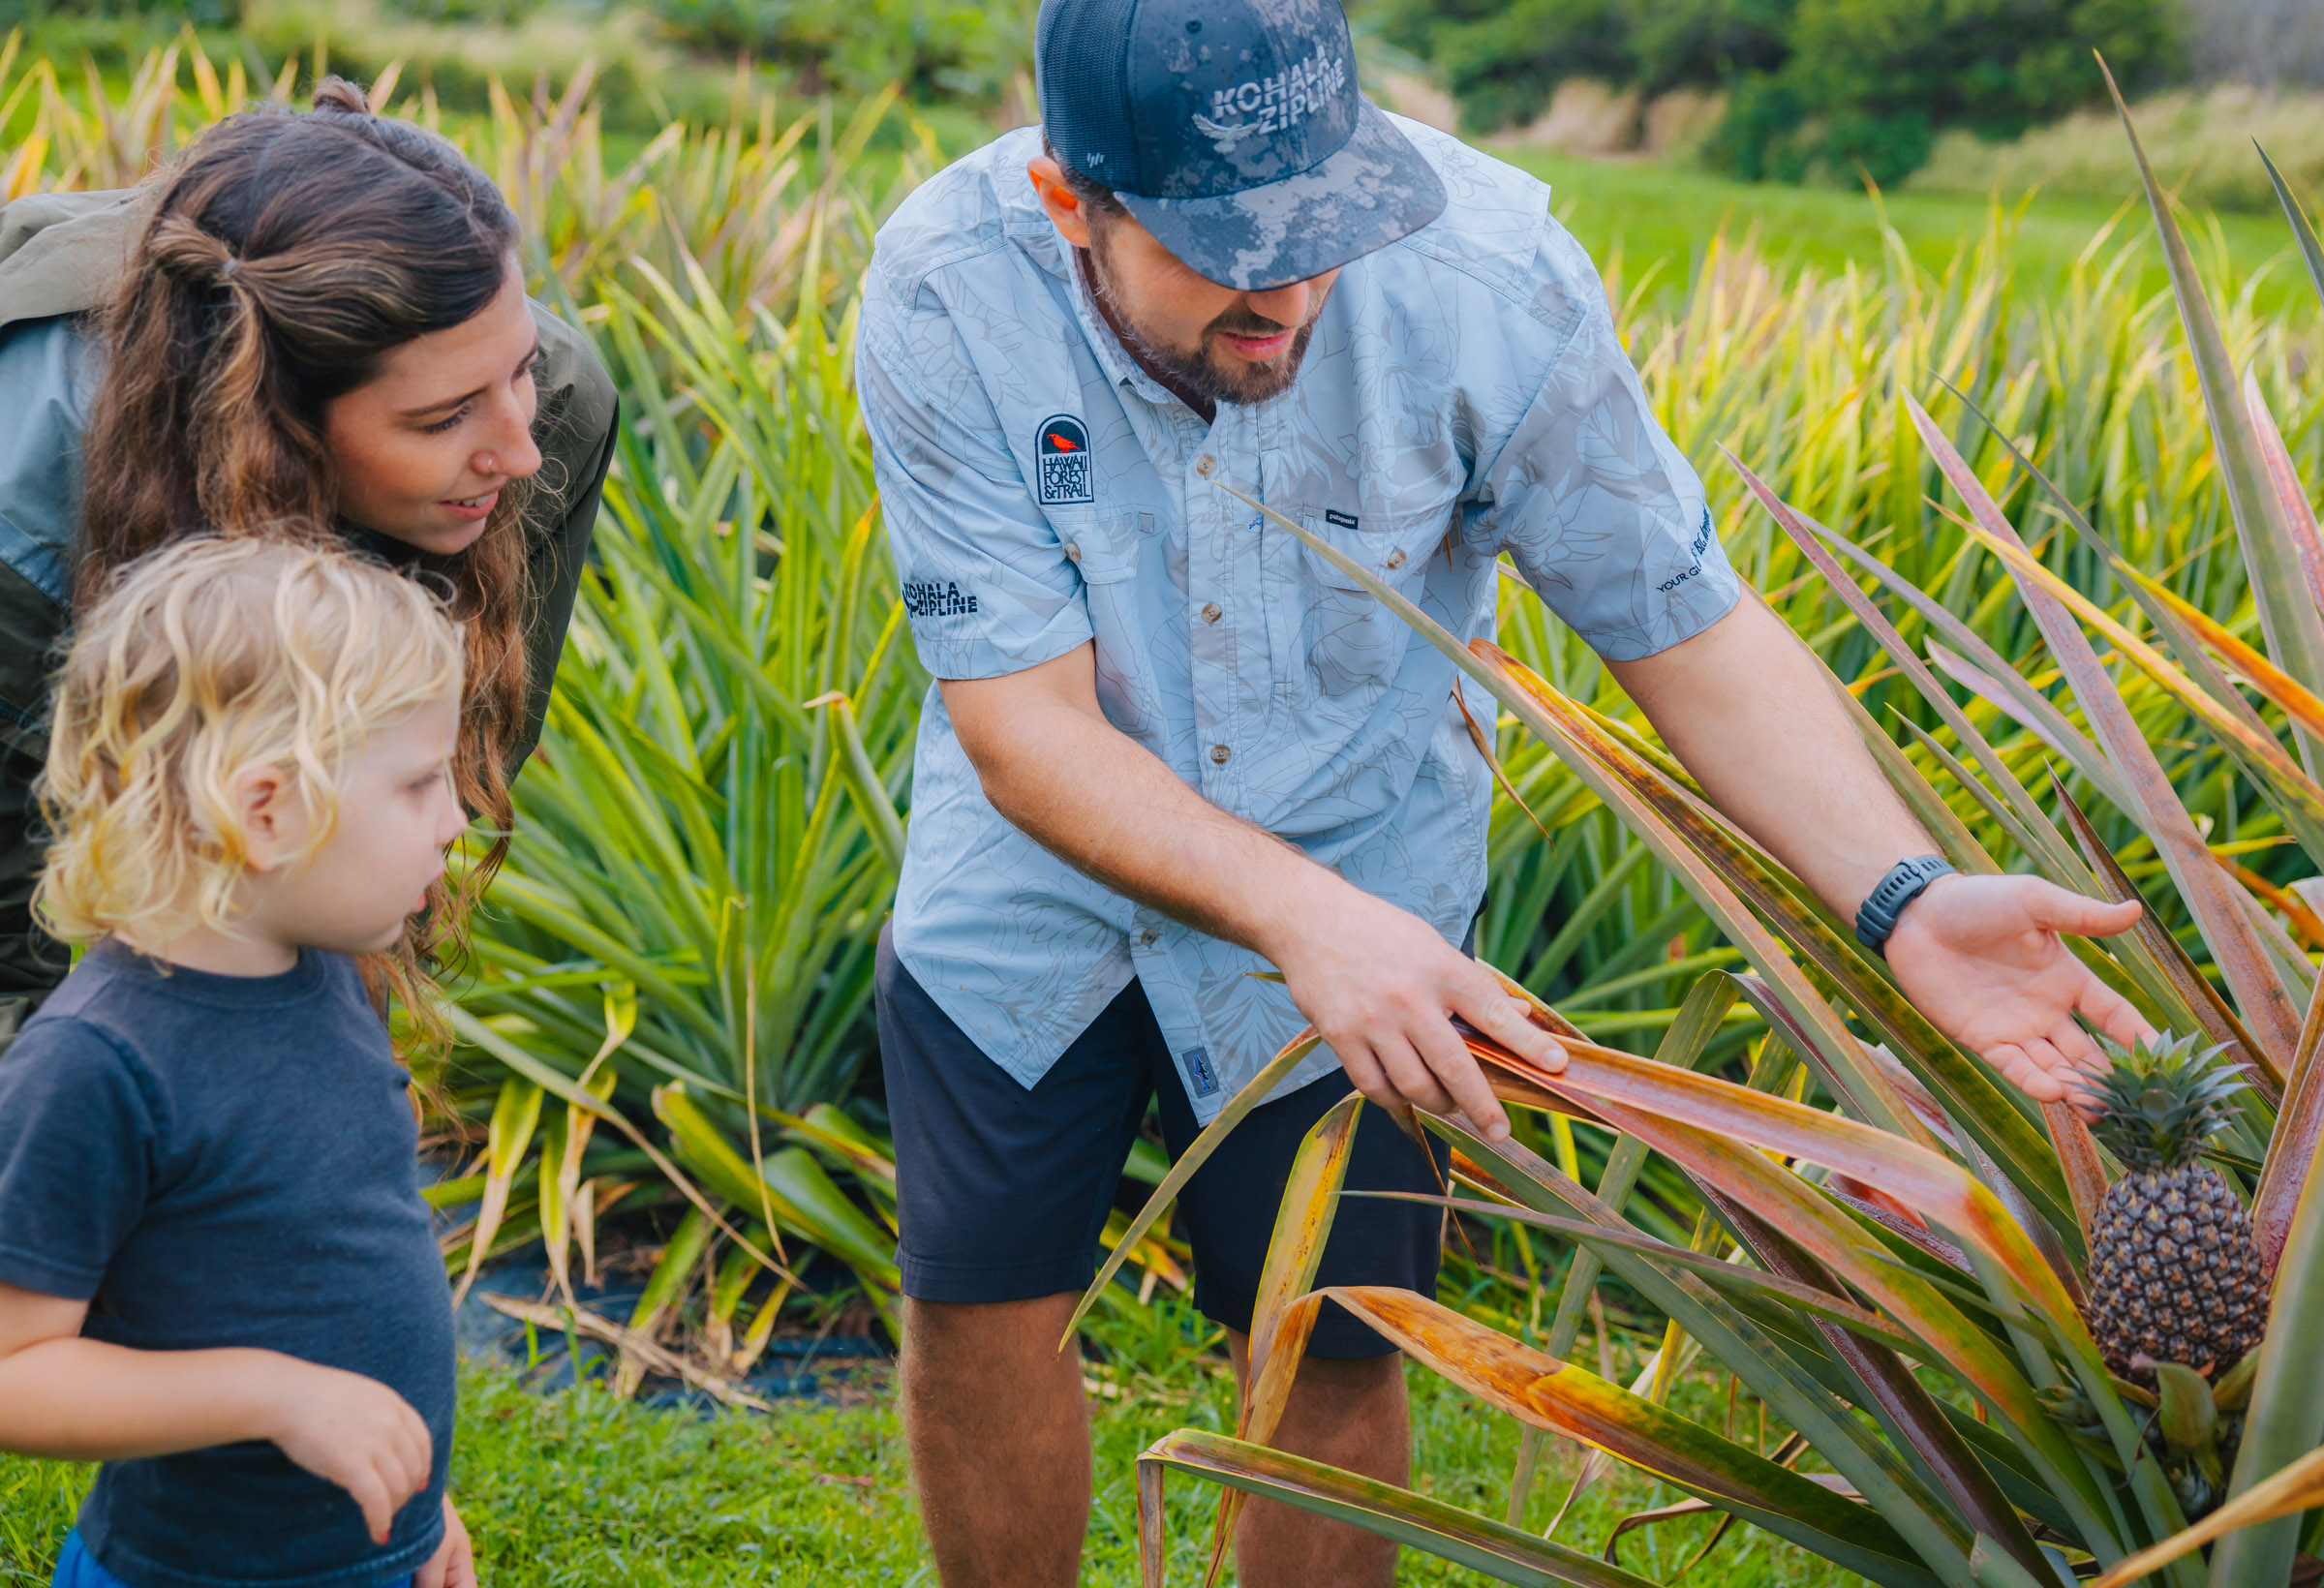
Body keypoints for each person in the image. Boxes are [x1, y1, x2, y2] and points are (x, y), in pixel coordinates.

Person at [855, 0, 2155, 1582]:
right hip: (1035, 885)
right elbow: (1025, 731)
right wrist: (1302, 921)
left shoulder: (1489, 281)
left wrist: (1906, 898)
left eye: (1321, 232)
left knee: (1337, 1344)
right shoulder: (948, 289)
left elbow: (1679, 620)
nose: (1290, 295)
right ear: (1075, 203)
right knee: (980, 1311)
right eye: (1225, 252)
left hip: (1371, 877)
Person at [0, 77, 619, 1035]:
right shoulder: (25, 520)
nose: (520, 450)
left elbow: (403, 804)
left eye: (518, 370)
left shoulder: (552, 399)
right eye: (443, 419)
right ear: (275, 423)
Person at [0, 537, 477, 1588]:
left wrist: (418, 1491)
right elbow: (13, 1372)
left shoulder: (328, 977)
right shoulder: (97, 1065)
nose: (456, 820)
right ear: (266, 811)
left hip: (370, 1547)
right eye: (419, 783)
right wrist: (273, 1394)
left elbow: (338, 1267)